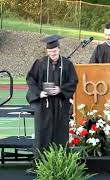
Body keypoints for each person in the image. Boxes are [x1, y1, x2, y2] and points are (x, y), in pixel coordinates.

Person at [25, 34, 78, 175]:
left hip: (61, 105)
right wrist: (39, 93)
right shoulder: (40, 63)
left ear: (59, 49)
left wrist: (61, 89)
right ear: (46, 52)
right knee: (42, 134)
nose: (52, 54)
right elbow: (30, 79)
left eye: (54, 52)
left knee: (60, 135)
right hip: (44, 105)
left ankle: (61, 165)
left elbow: (73, 82)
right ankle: (39, 166)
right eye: (50, 52)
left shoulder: (67, 64)